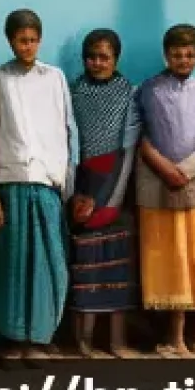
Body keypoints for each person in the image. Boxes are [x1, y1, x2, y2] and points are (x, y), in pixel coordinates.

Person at [0, 9, 77, 359]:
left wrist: (66, 182)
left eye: (33, 39)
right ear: (10, 40)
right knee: (14, 261)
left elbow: (68, 130)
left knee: (50, 260)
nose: (28, 46)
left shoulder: (54, 78)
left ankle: (41, 336)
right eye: (21, 40)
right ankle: (15, 339)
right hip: (12, 181)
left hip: (47, 183)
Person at [135, 24, 195, 357]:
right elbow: (139, 136)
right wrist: (164, 168)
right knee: (172, 261)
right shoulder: (148, 90)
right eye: (176, 54)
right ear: (165, 54)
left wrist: (184, 171)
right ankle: (174, 337)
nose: (183, 60)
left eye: (189, 54)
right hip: (159, 187)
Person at [68, 29, 141, 358]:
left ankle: (116, 342)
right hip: (81, 182)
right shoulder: (73, 91)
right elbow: (67, 141)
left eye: (104, 57)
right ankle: (82, 341)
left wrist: (109, 194)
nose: (97, 62)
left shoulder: (129, 93)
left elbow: (128, 147)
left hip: (116, 182)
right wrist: (76, 194)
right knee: (85, 263)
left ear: (116, 59)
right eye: (91, 56)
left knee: (116, 262)